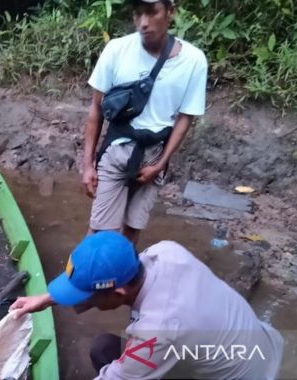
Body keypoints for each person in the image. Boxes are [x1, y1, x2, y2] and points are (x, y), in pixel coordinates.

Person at [10, 232, 284, 379]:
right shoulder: (165, 251)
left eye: (87, 295)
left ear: (118, 292)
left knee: (108, 354)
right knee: (107, 348)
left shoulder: (159, 328)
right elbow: (108, 274)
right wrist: (46, 298)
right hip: (261, 347)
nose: (84, 299)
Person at [82, 0, 208, 245]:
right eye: (138, 13)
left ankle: (121, 283)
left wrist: (160, 165)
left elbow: (185, 118)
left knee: (131, 231)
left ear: (170, 12)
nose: (143, 23)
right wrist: (87, 166)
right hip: (117, 150)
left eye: (151, 12)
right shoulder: (116, 50)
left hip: (154, 155)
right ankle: (77, 280)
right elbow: (96, 109)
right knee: (98, 234)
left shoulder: (194, 61)